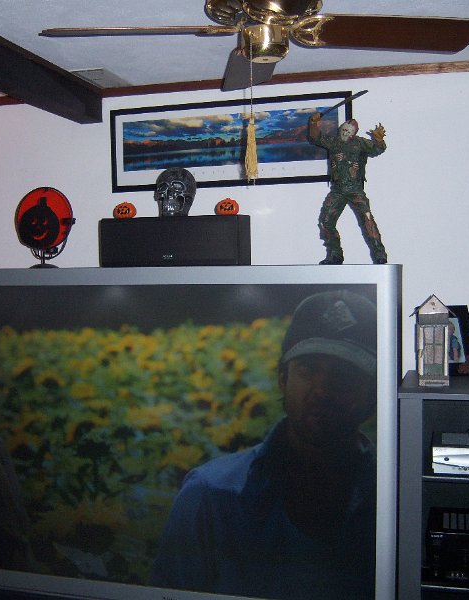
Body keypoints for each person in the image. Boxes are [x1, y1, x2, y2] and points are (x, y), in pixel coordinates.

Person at [150, 290, 378, 600]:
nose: (323, 390)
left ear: (374, 394)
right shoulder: (211, 497)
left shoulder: (397, 501)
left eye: (345, 376)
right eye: (308, 370)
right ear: (283, 379)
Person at [308, 114, 388, 265]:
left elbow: (378, 149)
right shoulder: (333, 141)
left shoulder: (361, 143)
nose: (344, 133)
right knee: (325, 221)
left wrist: (378, 139)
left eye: (348, 131)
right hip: (337, 190)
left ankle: (380, 254)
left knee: (367, 219)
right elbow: (316, 137)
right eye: (343, 130)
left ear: (353, 133)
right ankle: (335, 254)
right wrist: (313, 123)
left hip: (355, 190)